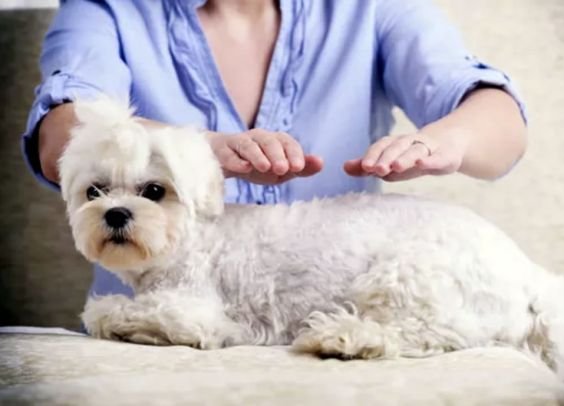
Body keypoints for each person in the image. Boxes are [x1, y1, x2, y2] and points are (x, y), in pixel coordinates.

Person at [22, 0, 527, 298]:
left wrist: (448, 140)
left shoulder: (373, 8)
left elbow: (501, 126)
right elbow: (61, 135)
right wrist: (203, 152)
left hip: (341, 326)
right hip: (151, 338)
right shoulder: (104, 8)